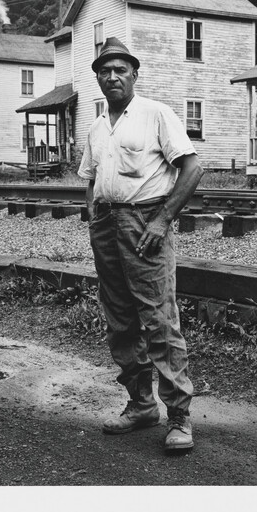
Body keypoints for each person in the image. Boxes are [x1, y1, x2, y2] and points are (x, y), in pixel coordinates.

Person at [78, 37, 204, 451]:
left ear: (134, 74)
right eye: (105, 71)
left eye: (121, 70)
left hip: (144, 222)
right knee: (119, 320)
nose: (112, 77)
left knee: (158, 320)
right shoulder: (97, 126)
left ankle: (180, 418)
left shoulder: (155, 114)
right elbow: (91, 177)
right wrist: (94, 214)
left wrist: (163, 218)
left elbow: (192, 167)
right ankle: (141, 404)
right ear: (97, 77)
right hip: (107, 226)